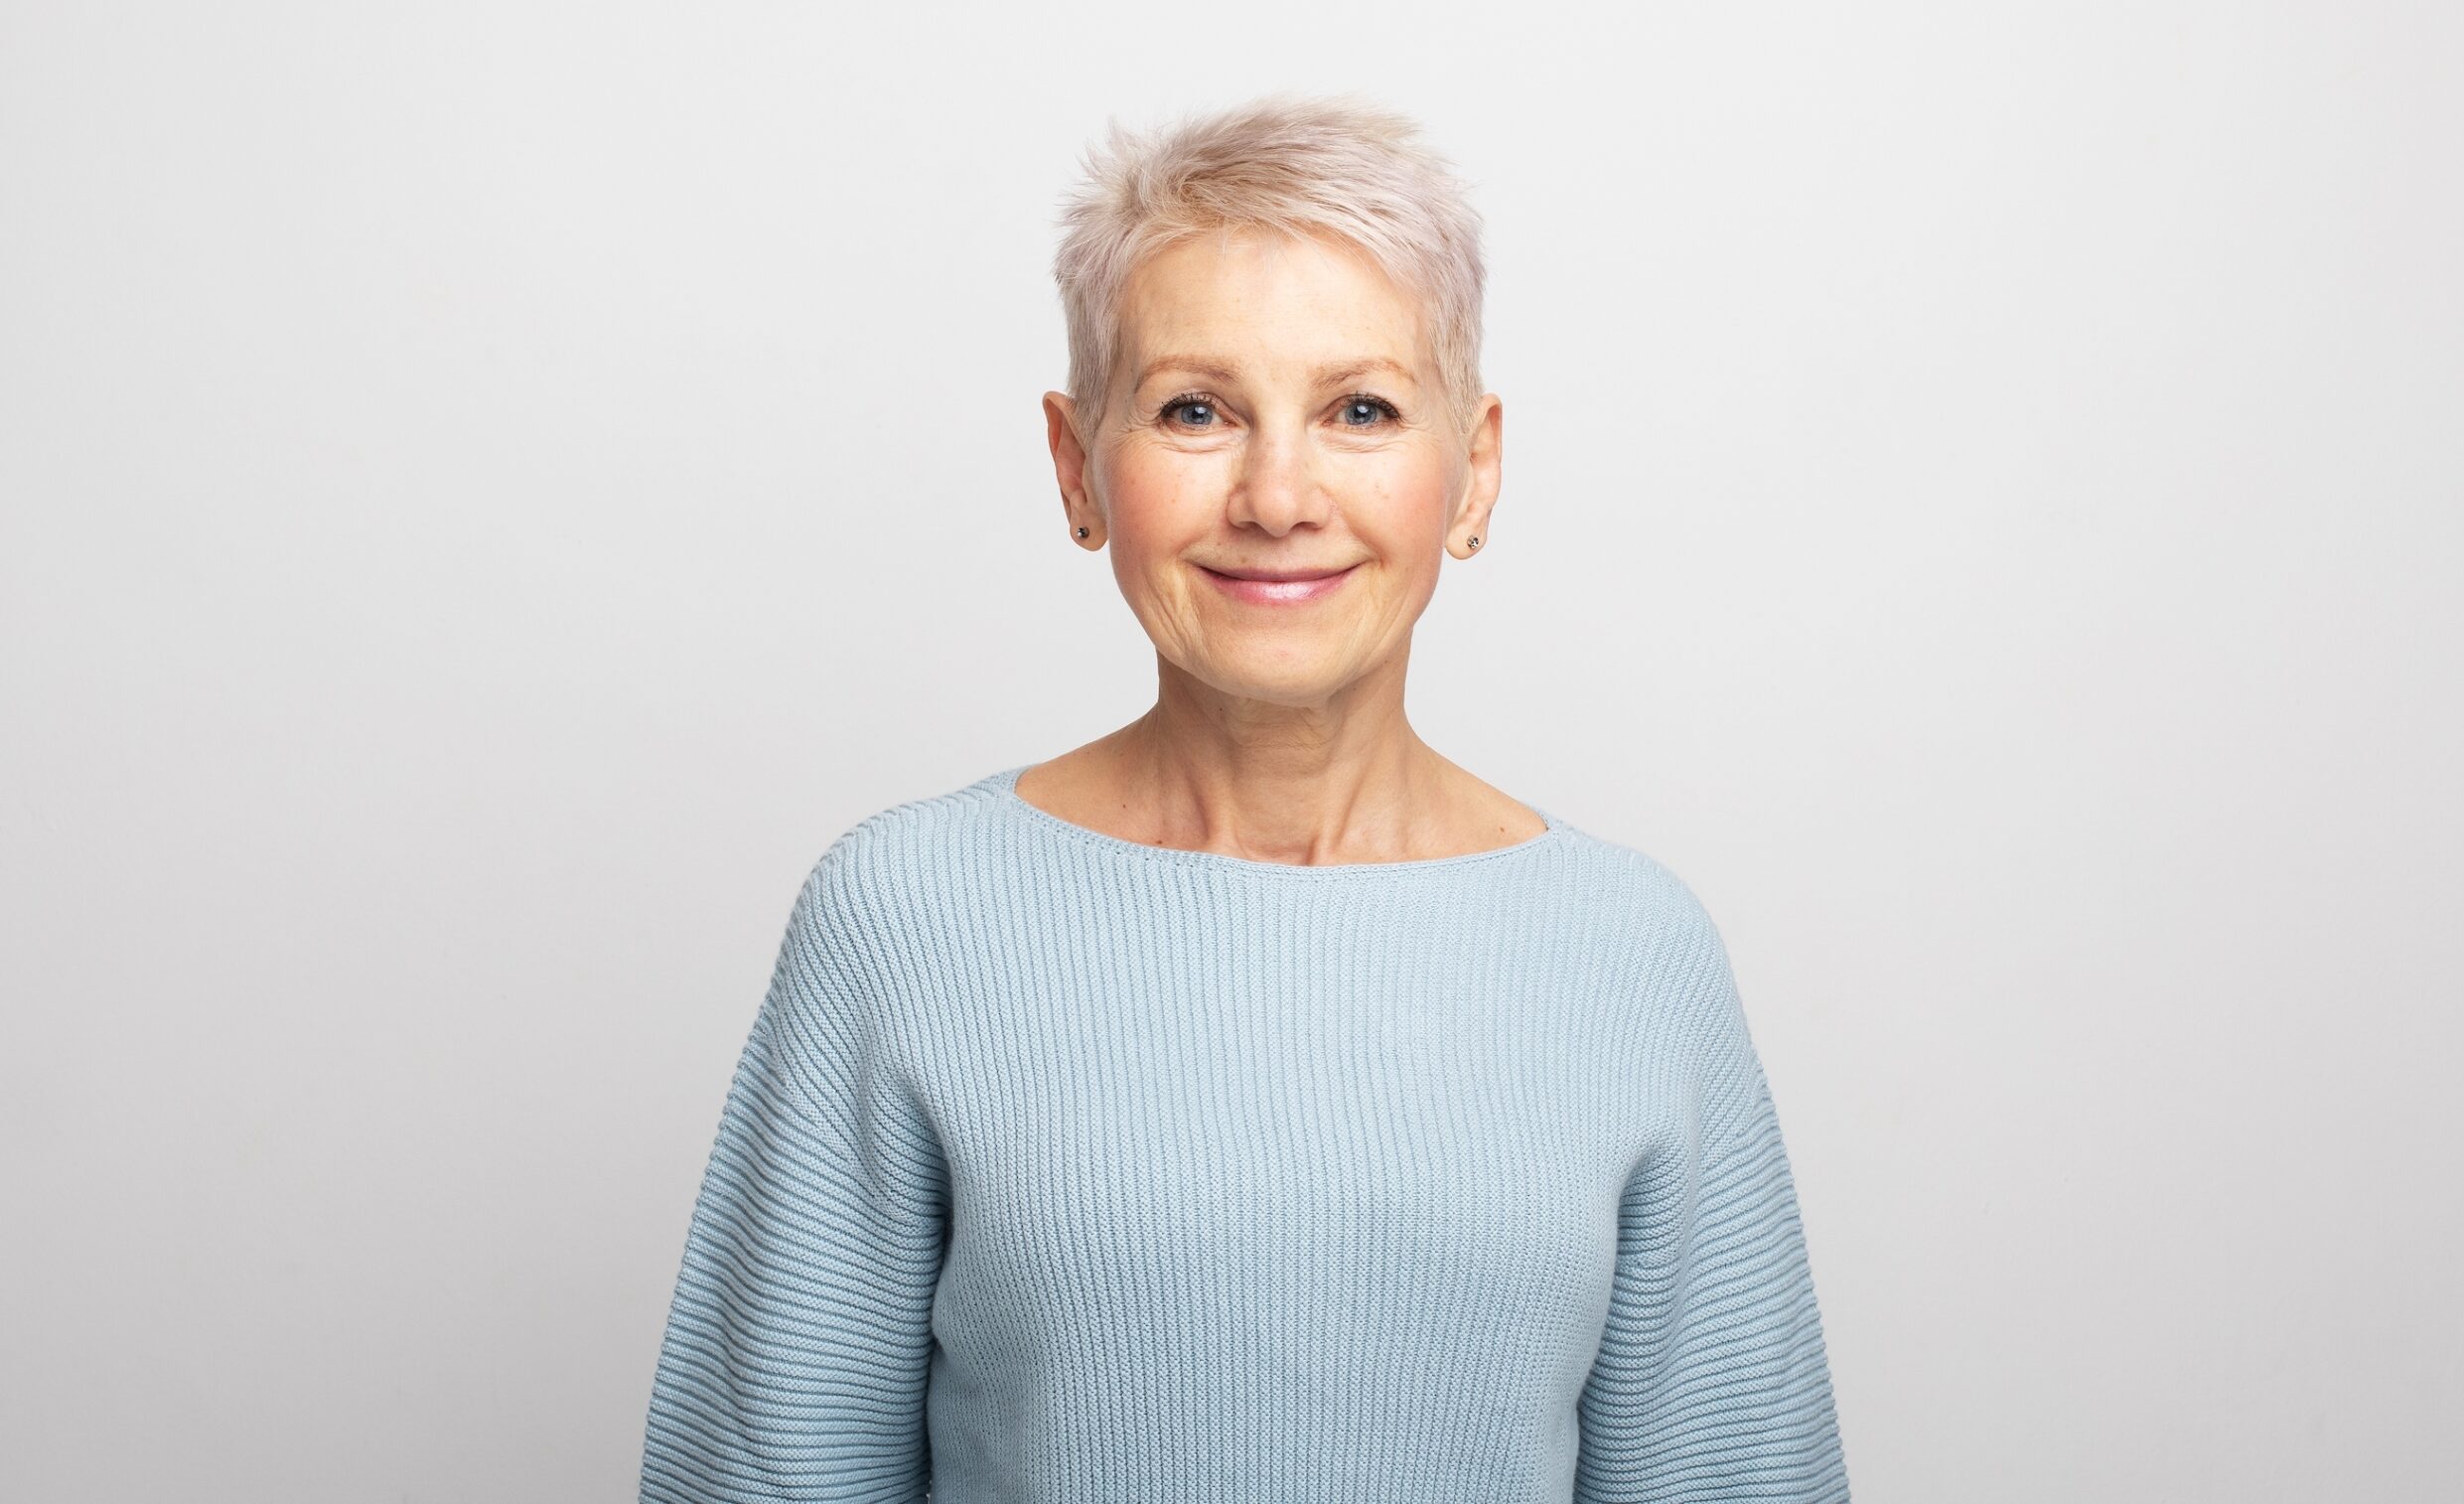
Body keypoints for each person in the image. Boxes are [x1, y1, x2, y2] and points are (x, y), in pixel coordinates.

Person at [636, 93, 1848, 1502]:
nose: (1279, 494)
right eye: (1196, 409)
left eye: (1363, 409)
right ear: (1079, 464)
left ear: (1476, 467)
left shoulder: (1635, 952)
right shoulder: (904, 919)